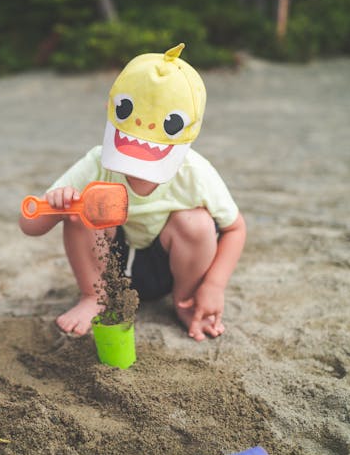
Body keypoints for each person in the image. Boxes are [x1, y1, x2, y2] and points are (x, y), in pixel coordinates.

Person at [19, 43, 246, 341]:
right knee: (80, 212)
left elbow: (236, 228)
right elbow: (29, 225)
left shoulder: (196, 173)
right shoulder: (97, 163)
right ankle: (95, 296)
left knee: (198, 222)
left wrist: (214, 286)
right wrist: (58, 207)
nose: (137, 171)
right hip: (110, 268)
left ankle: (185, 302)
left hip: (170, 268)